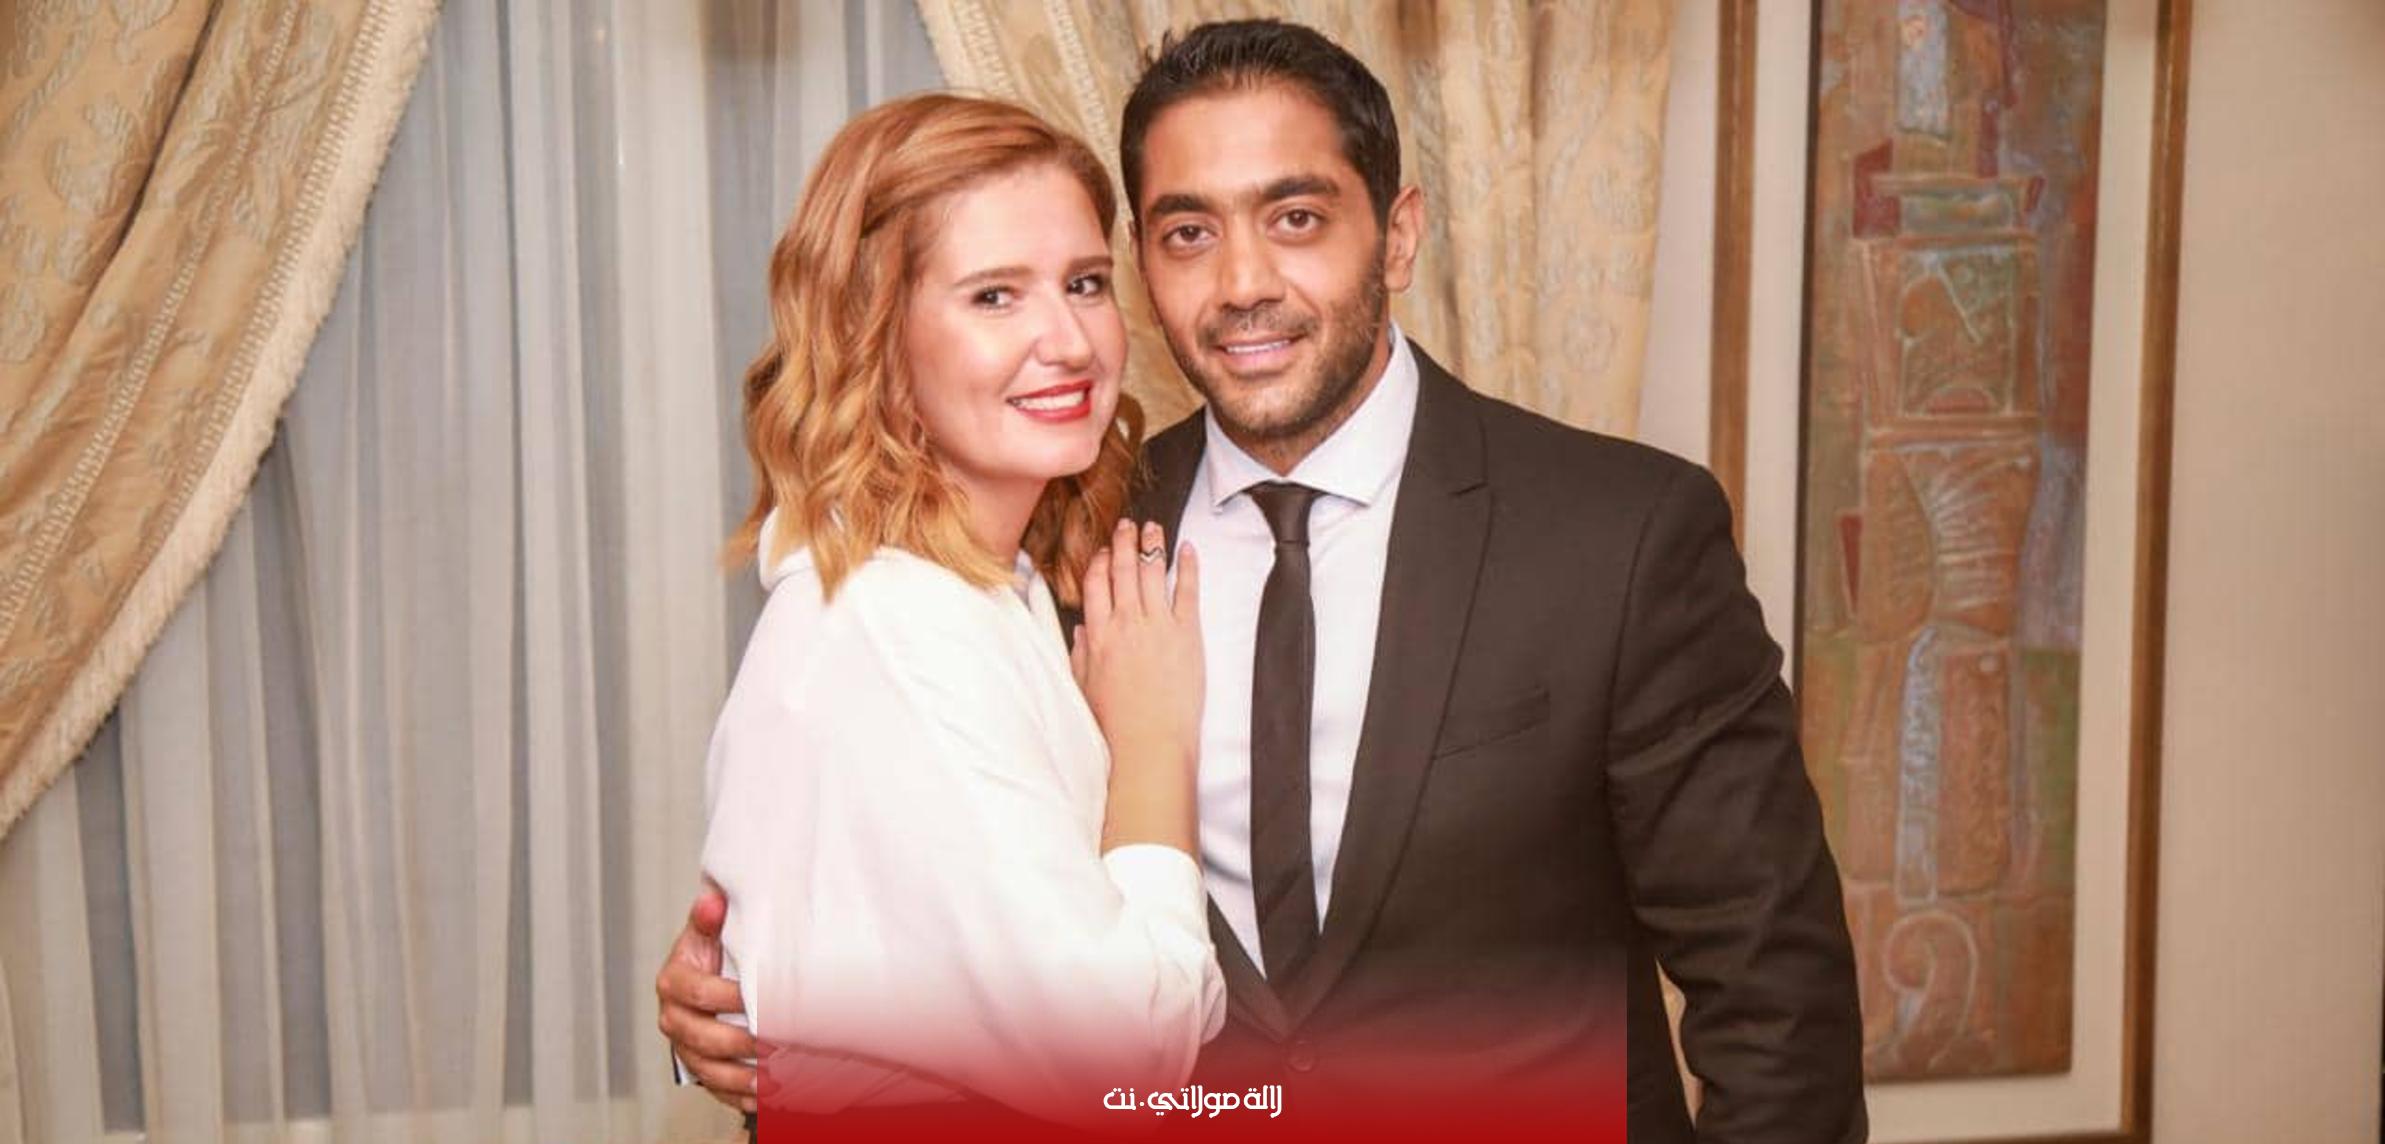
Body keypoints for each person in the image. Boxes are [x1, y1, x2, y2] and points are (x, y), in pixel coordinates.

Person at [663, 21, 1866, 1142]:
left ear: (1397, 232)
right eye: (1188, 232)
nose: (1242, 282)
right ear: (1146, 263)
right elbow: (924, 868)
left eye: (1295, 217)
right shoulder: (1075, 531)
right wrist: (780, 983)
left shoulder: (1617, 533)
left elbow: (1774, 988)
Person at [692, 92, 1225, 1136]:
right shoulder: (896, 624)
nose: (1068, 340)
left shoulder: (990, 590)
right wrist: (1153, 744)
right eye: (994, 296)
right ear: (877, 338)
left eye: (1084, 283)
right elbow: (1125, 1061)